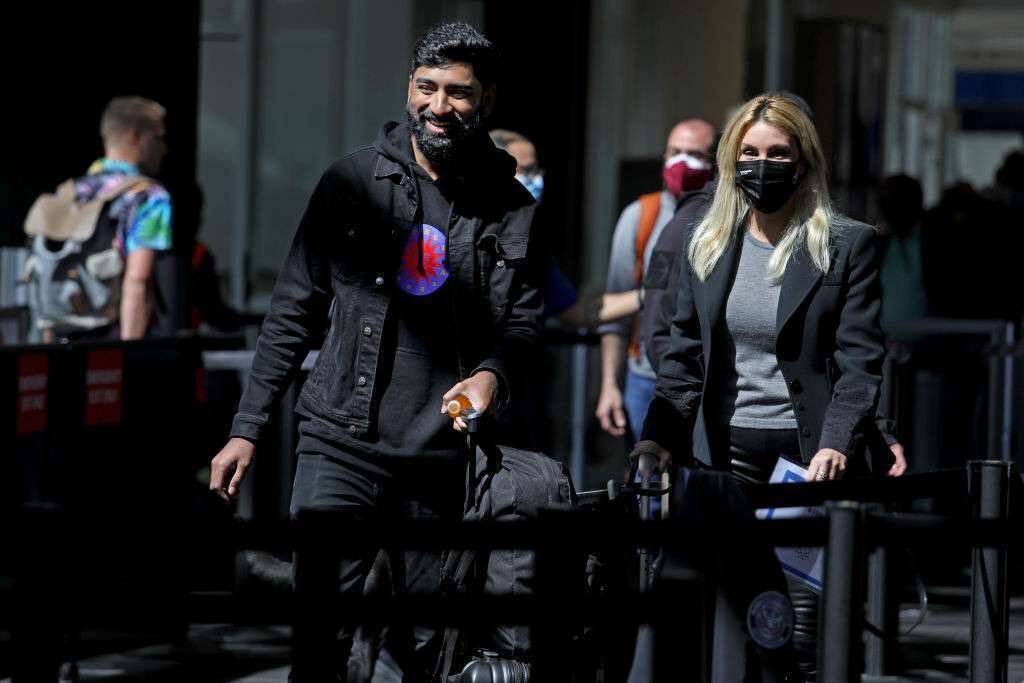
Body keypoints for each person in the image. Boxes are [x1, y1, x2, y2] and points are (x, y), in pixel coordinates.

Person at [208, 23, 543, 680]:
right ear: (408, 88)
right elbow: (292, 311)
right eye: (427, 87)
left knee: (424, 647)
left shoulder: (511, 206)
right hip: (340, 443)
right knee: (320, 639)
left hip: (442, 461)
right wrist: (247, 427)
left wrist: (490, 377)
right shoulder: (353, 182)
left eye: (458, 93)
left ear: (488, 102)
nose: (438, 106)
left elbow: (523, 323)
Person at [632, 93, 885, 681]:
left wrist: (838, 442)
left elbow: (860, 362)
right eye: (748, 152)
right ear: (729, 159)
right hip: (724, 458)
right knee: (724, 625)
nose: (761, 165)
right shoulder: (707, 240)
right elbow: (683, 357)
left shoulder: (846, 244)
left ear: (803, 161)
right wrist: (657, 439)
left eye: (777, 152)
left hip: (807, 460)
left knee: (795, 631)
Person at [596, 119, 715, 444]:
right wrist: (610, 385)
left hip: (703, 381)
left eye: (694, 154)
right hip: (645, 380)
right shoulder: (640, 215)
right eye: (675, 152)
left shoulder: (721, 218)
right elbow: (614, 317)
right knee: (648, 485)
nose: (681, 162)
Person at [27, 96, 172, 341]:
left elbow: (48, 277)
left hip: (65, 341)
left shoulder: (71, 192)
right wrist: (128, 355)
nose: (164, 148)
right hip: (114, 341)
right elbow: (138, 280)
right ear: (135, 137)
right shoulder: (149, 196)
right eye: (158, 138)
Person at [488, 128, 640, 328]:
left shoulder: (531, 245)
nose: (536, 179)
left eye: (537, 170)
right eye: (526, 170)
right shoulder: (456, 230)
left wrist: (648, 296)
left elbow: (575, 312)